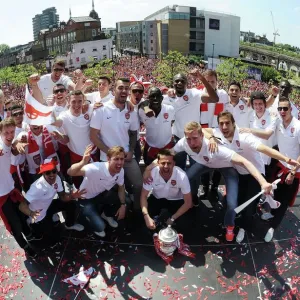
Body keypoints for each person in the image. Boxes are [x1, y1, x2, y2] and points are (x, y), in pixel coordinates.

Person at [145, 122, 273, 241]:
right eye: (188, 139)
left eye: (195, 138)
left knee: (232, 203)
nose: (192, 143)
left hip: (226, 167)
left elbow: (245, 162)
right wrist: (149, 168)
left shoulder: (216, 148)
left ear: (202, 136)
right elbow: (166, 155)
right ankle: (190, 203)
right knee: (186, 179)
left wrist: (263, 182)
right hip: (204, 163)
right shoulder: (184, 143)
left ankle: (229, 226)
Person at [204, 111, 298, 243]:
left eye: (227, 123)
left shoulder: (244, 137)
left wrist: (286, 159)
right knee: (232, 205)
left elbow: (264, 149)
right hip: (240, 175)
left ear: (234, 124)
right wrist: (212, 138)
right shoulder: (219, 133)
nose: (224, 127)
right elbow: (201, 130)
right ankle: (241, 224)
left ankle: (256, 229)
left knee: (249, 210)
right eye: (221, 124)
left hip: (256, 175)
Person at [90, 78, 143, 210]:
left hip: (127, 156)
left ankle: (137, 210)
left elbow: (133, 133)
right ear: (114, 90)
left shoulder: (132, 111)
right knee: (110, 190)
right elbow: (93, 135)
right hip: (107, 159)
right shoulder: (101, 109)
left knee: (138, 184)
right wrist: (110, 153)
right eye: (120, 88)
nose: (123, 91)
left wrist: (130, 150)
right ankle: (115, 211)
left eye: (126, 88)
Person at [162, 70, 219, 170]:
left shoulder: (194, 94)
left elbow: (214, 99)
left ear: (186, 84)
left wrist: (202, 79)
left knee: (195, 171)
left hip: (195, 139)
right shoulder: (167, 98)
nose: (179, 83)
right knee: (178, 170)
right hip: (178, 139)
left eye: (182, 81)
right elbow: (147, 101)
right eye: (177, 81)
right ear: (173, 83)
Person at [19, 158, 85, 244]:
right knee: (55, 238)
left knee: (71, 204)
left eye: (54, 171)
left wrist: (72, 196)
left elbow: (62, 196)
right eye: (48, 172)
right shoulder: (36, 188)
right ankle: (33, 225)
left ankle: (69, 224)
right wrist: (32, 213)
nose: (52, 175)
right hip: (38, 214)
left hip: (49, 205)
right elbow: (21, 205)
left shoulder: (57, 178)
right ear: (43, 173)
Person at [67, 145, 127, 238]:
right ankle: (86, 217)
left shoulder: (121, 171)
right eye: (116, 159)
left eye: (122, 159)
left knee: (124, 200)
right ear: (108, 159)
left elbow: (121, 187)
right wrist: (83, 162)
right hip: (85, 198)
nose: (119, 162)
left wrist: (123, 205)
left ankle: (106, 214)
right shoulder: (95, 168)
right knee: (100, 227)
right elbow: (70, 172)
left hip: (101, 194)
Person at [0, 118, 36, 257]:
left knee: (21, 214)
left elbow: (19, 138)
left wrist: (19, 141)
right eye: (6, 133)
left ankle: (28, 233)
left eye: (12, 132)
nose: (9, 135)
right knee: (14, 223)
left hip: (11, 189)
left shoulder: (11, 142)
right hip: (1, 196)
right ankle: (25, 246)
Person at [141, 149, 192, 230]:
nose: (166, 166)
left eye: (169, 163)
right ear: (158, 163)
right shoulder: (151, 173)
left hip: (176, 200)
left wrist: (173, 218)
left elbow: (188, 203)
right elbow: (143, 196)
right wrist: (146, 216)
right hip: (157, 198)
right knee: (145, 222)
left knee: (184, 225)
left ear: (174, 164)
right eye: (163, 163)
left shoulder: (181, 175)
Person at [139, 87, 175, 165]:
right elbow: (137, 104)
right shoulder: (142, 111)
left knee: (167, 173)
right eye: (152, 96)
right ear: (148, 98)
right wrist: (145, 107)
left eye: (157, 96)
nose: (155, 99)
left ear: (162, 98)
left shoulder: (170, 109)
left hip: (167, 148)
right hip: (150, 149)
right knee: (149, 174)